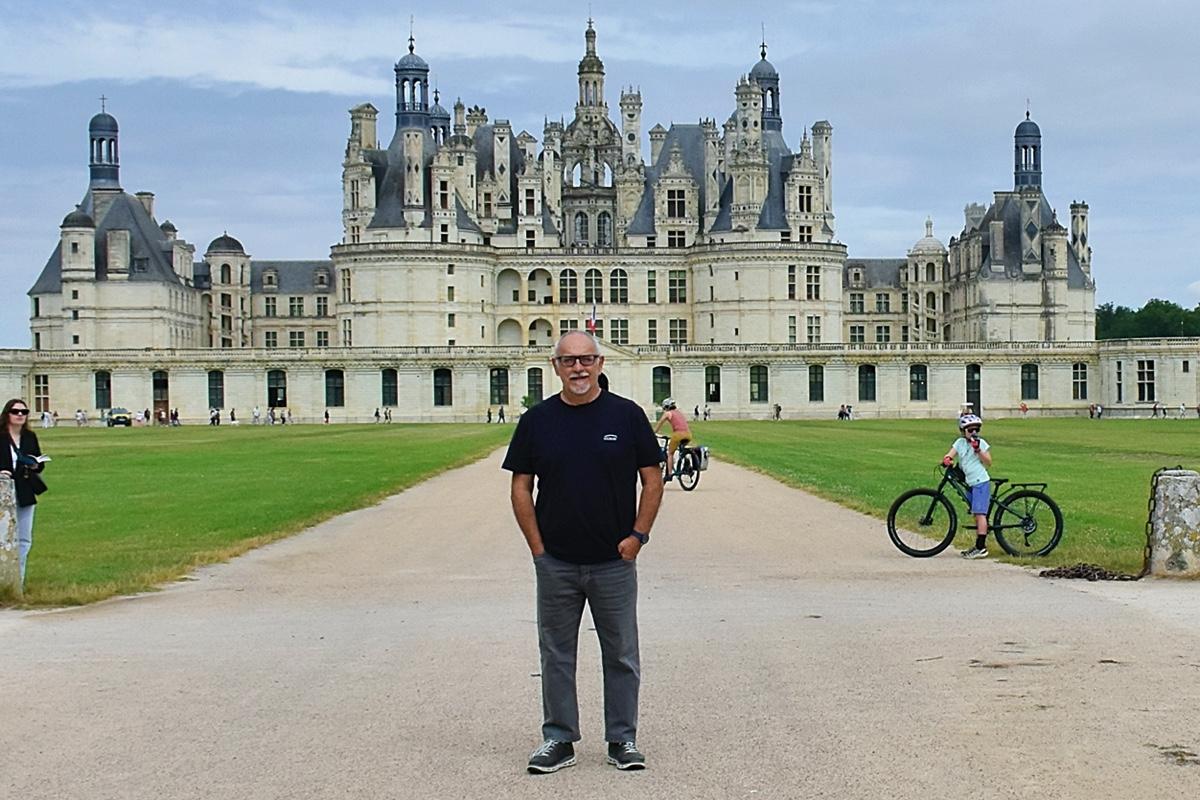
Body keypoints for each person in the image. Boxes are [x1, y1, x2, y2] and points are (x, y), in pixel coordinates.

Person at [503, 331, 663, 774]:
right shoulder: (537, 420)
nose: (579, 368)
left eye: (587, 359)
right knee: (556, 653)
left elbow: (653, 478)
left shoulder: (626, 416)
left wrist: (638, 537)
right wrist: (537, 548)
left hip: (614, 559)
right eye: (569, 360)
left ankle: (622, 738)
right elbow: (520, 485)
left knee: (621, 653)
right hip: (556, 560)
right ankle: (559, 739)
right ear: (555, 366)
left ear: (600, 363)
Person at [0, 398, 48, 588]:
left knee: (24, 538)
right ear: (7, 414)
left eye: (24, 412)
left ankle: (16, 582)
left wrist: (36, 464)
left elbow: (37, 461)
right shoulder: (1, 437)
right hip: (3, 491)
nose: (20, 415)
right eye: (16, 411)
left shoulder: (29, 436)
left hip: (24, 489)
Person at [941, 413, 993, 559]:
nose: (973, 433)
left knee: (980, 514)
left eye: (976, 430)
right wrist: (947, 459)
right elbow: (951, 454)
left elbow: (988, 461)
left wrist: (978, 450)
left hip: (980, 482)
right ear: (963, 431)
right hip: (970, 483)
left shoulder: (981, 443)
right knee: (975, 514)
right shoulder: (960, 443)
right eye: (970, 430)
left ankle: (981, 547)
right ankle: (978, 544)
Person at [654, 398, 691, 482]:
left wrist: (653, 433)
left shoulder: (668, 413)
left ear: (666, 407)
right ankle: (686, 461)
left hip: (678, 435)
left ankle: (669, 474)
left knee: (670, 453)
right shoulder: (679, 412)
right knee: (682, 450)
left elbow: (660, 423)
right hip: (688, 434)